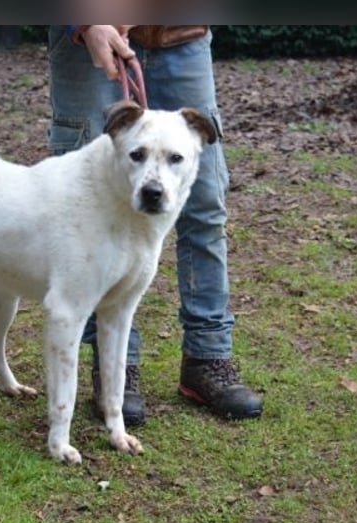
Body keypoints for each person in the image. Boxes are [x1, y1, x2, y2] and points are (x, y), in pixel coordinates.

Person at [47, 25, 263, 426]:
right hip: (85, 41)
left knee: (204, 205)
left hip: (181, 31)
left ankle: (208, 355)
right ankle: (116, 371)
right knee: (90, 214)